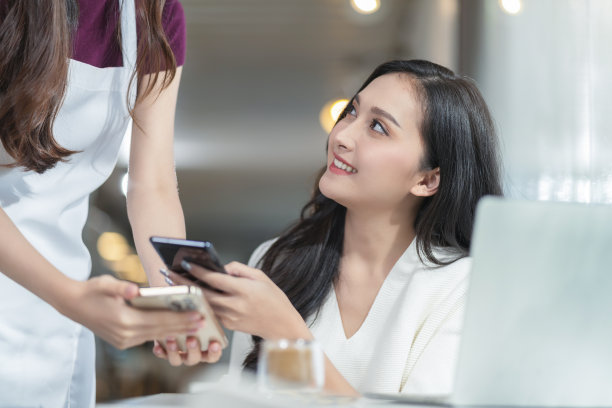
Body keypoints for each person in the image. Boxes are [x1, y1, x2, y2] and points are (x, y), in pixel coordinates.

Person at [159, 59, 503, 396]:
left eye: (378, 127)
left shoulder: (461, 287)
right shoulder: (276, 260)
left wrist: (286, 332)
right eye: (352, 112)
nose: (342, 135)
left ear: (428, 179)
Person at [0, 1, 220, 406]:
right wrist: (66, 295)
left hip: (57, 324)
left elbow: (152, 182)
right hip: (58, 294)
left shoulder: (154, 12)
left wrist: (176, 296)